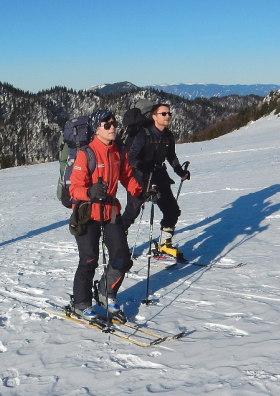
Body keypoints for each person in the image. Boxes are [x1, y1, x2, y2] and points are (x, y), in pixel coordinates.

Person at [68, 109, 155, 321]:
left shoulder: (119, 151)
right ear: (96, 129)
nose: (112, 127)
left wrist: (141, 191)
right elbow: (74, 189)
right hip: (87, 213)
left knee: (122, 258)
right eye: (106, 125)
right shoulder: (86, 153)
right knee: (89, 260)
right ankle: (81, 303)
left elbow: (126, 175)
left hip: (110, 212)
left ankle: (106, 293)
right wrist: (89, 192)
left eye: (113, 123)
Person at [121, 103, 190, 258]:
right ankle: (117, 241)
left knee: (172, 210)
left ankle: (165, 244)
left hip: (159, 175)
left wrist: (180, 172)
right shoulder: (143, 134)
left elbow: (171, 156)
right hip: (139, 177)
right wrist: (144, 166)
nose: (168, 116)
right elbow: (131, 157)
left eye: (168, 113)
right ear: (154, 116)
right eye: (163, 114)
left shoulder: (168, 135)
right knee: (132, 211)